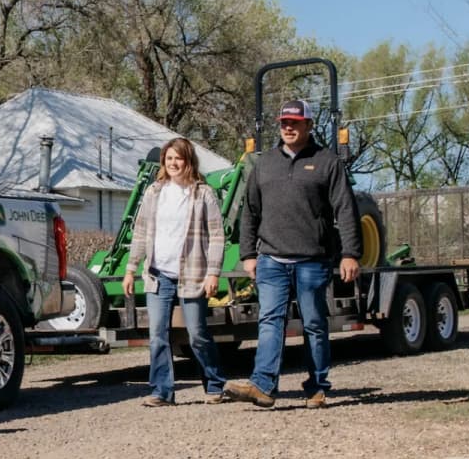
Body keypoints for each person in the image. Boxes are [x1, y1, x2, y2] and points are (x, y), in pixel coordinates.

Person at [224, 99, 361, 409]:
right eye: (284, 122)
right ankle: (263, 386)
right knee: (270, 321)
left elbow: (346, 210)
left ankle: (316, 387)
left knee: (314, 323)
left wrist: (350, 253)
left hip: (313, 260)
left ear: (309, 126)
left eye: (295, 122)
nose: (288, 127)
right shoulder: (264, 164)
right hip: (271, 259)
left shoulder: (327, 163)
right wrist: (248, 254)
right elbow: (250, 213)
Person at [124, 138, 232, 406]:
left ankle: (214, 384)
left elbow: (217, 236)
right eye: (169, 158)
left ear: (189, 161)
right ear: (164, 161)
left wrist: (213, 273)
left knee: (197, 333)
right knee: (158, 335)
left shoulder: (203, 193)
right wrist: (130, 268)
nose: (173, 163)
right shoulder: (154, 192)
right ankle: (162, 391)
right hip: (158, 274)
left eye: (178, 158)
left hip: (193, 274)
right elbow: (139, 232)